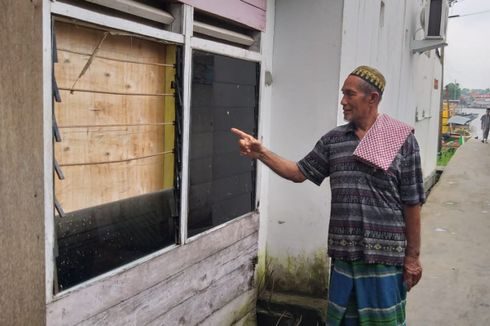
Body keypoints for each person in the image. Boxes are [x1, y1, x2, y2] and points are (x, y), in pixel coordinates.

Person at [231, 66, 425, 326]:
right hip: (345, 257)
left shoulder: (400, 139)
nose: (343, 101)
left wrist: (412, 258)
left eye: (349, 94)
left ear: (372, 98)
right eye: (342, 94)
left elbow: (412, 201)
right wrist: (261, 153)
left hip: (385, 259)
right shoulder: (334, 140)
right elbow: (299, 172)